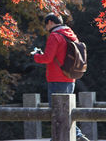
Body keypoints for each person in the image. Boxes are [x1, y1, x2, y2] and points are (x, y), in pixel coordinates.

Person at [33, 12, 90, 141]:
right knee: (66, 109)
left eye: (46, 25)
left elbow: (47, 58)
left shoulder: (54, 36)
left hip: (56, 78)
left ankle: (74, 135)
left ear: (50, 22)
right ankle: (71, 135)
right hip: (70, 77)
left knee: (56, 109)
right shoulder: (71, 35)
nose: (46, 29)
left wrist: (36, 56)